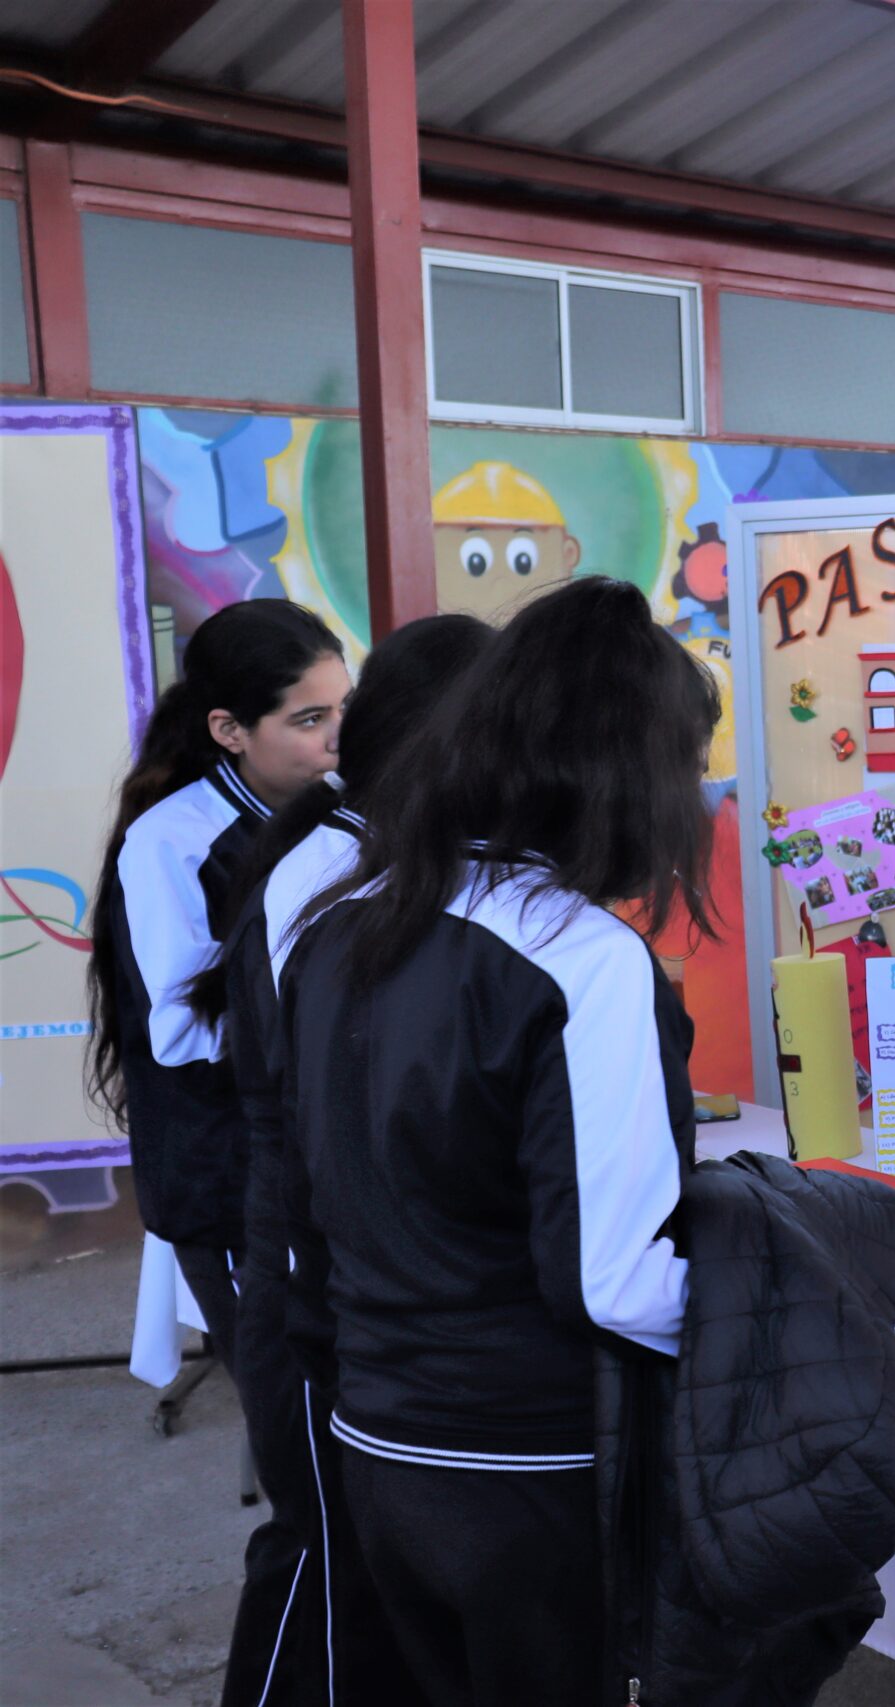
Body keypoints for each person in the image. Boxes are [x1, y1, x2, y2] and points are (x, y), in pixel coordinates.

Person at [277, 577, 716, 1700]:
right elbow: (612, 1282)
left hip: (379, 1441)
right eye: (691, 765)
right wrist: (791, 1304)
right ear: (629, 775)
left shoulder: (343, 921)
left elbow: (311, 1198)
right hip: (529, 1464)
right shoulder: (580, 958)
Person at [186, 612, 495, 1706]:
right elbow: (312, 1099)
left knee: (362, 1566)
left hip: (329, 1253)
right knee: (325, 1555)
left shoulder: (361, 846)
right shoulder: (333, 864)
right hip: (305, 1260)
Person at [85, 598, 347, 1706]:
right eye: (309, 720)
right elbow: (183, 1032)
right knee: (314, 1493)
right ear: (231, 731)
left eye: (344, 712)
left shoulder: (340, 810)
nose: (336, 741)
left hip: (322, 1176)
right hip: (234, 1186)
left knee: (357, 1470)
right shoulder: (173, 839)